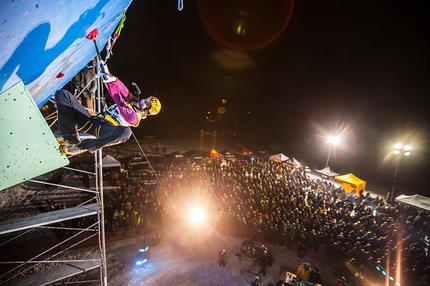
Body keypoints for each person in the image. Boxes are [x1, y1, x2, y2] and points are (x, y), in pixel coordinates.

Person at [55, 75, 161, 153]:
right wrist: (112, 78)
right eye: (145, 99)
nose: (143, 101)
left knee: (126, 132)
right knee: (62, 94)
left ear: (146, 111)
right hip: (93, 122)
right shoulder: (134, 102)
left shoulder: (134, 117)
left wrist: (110, 83)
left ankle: (84, 146)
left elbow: (119, 100)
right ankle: (70, 138)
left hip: (105, 128)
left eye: (146, 103)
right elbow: (125, 92)